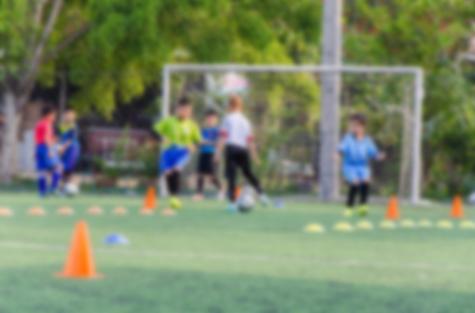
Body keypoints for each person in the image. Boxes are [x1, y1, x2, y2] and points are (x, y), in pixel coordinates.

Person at [216, 95, 270, 212]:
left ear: (230, 106)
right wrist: (254, 155)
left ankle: (232, 203)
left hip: (231, 148)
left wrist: (218, 152)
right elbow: (249, 140)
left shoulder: (227, 118)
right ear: (241, 106)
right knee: (248, 173)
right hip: (243, 149)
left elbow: (223, 136)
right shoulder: (246, 121)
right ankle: (262, 195)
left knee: (232, 176)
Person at [154, 97, 201, 213]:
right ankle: (173, 197)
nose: (184, 112)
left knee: (176, 170)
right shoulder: (168, 121)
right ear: (177, 110)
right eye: (182, 109)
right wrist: (161, 138)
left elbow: (197, 141)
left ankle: (175, 197)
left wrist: (194, 146)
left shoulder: (192, 125)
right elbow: (155, 131)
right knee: (168, 173)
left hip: (183, 152)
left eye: (187, 110)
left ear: (190, 112)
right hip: (168, 152)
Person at [338, 113, 385, 217]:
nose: (354, 128)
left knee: (366, 181)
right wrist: (337, 154)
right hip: (350, 166)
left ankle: (363, 206)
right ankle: (349, 208)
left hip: (363, 167)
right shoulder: (348, 138)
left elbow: (373, 153)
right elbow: (342, 149)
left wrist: (379, 156)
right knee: (355, 183)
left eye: (357, 126)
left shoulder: (367, 140)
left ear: (363, 127)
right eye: (352, 126)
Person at [193, 109, 223, 201]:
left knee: (211, 176)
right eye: (208, 117)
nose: (210, 119)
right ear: (206, 119)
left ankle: (222, 190)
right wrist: (199, 143)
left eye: (212, 118)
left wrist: (208, 142)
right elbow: (197, 142)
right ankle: (199, 194)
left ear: (215, 119)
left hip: (212, 154)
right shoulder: (202, 130)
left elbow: (219, 142)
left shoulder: (218, 130)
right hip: (203, 153)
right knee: (200, 174)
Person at [34, 105, 62, 197]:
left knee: (42, 171)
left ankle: (42, 193)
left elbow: (37, 138)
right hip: (46, 148)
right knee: (58, 167)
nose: (54, 117)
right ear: (48, 115)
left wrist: (35, 150)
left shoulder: (39, 123)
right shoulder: (47, 124)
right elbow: (46, 138)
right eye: (53, 115)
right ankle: (53, 188)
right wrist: (50, 150)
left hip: (39, 148)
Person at [58, 109, 81, 188]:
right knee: (62, 169)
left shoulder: (73, 126)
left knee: (68, 170)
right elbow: (60, 138)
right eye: (66, 115)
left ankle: (72, 186)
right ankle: (64, 187)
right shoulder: (62, 126)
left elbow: (70, 140)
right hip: (63, 149)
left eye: (69, 116)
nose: (66, 117)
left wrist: (63, 148)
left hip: (72, 150)